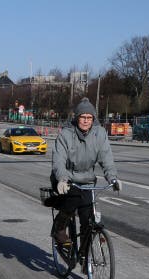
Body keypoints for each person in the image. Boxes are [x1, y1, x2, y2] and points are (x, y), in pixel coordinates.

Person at [49, 97, 121, 246]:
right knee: (75, 197)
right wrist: (62, 178)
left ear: (93, 119)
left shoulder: (100, 134)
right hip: (66, 178)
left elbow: (106, 158)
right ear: (77, 117)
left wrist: (113, 179)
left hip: (87, 179)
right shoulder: (66, 135)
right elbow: (58, 160)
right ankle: (58, 228)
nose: (86, 121)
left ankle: (84, 258)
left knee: (88, 218)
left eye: (89, 117)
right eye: (83, 117)